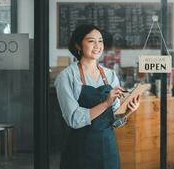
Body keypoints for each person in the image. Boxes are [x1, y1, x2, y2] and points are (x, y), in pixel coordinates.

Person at [54, 24, 140, 169]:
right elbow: (74, 119)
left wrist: (127, 111)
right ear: (78, 45)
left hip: (108, 146)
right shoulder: (66, 76)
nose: (97, 45)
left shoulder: (110, 74)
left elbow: (114, 119)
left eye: (100, 41)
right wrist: (106, 103)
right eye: (91, 41)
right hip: (80, 148)